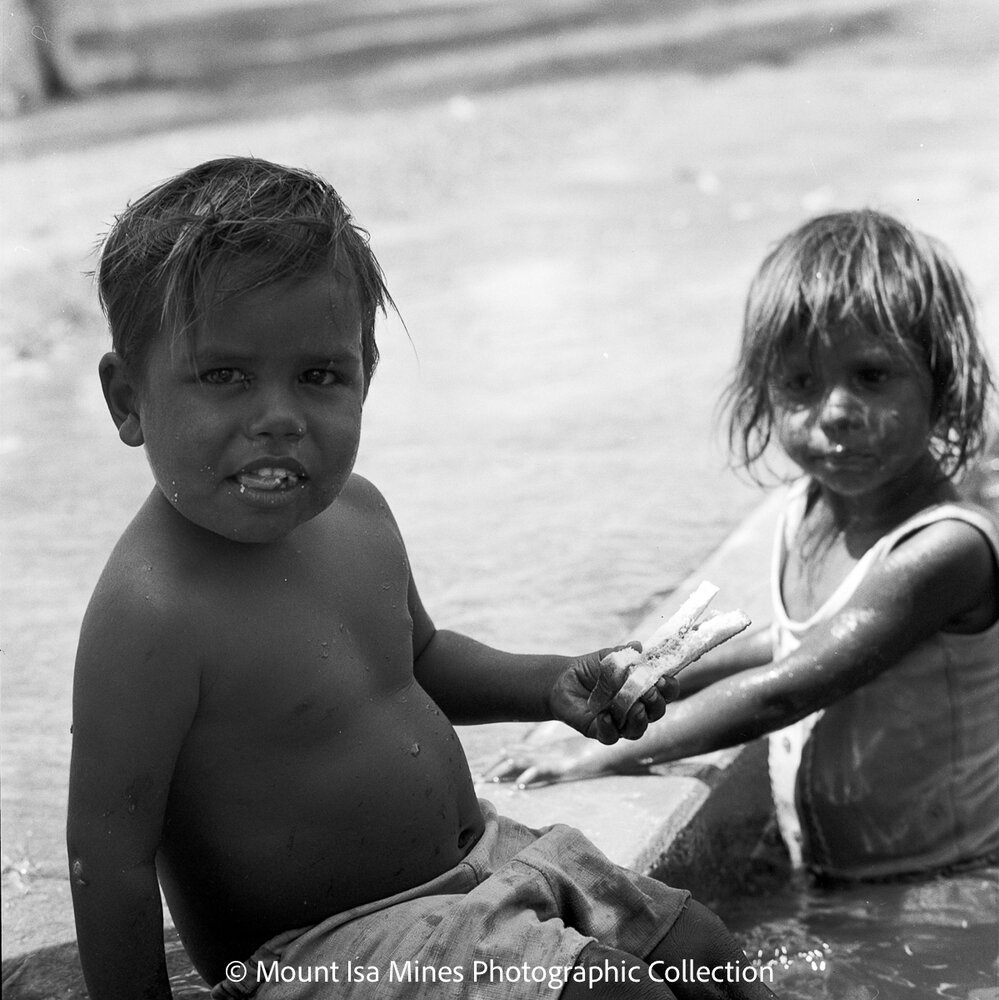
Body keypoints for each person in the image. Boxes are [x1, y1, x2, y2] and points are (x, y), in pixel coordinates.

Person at [66, 156, 775, 1000]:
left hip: (486, 869)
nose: (279, 417)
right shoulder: (152, 610)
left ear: (366, 372)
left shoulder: (355, 514)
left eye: (319, 376)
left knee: (708, 959)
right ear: (127, 401)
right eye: (224, 376)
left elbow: (420, 659)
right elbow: (106, 856)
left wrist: (552, 685)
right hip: (329, 949)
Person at [488, 209, 999, 884]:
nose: (837, 410)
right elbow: (795, 645)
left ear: (940, 382)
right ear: (763, 392)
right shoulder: (808, 509)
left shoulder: (943, 550)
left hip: (945, 876)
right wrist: (660, 673)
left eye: (871, 376)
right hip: (842, 863)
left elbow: (780, 694)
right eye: (800, 384)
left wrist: (599, 758)